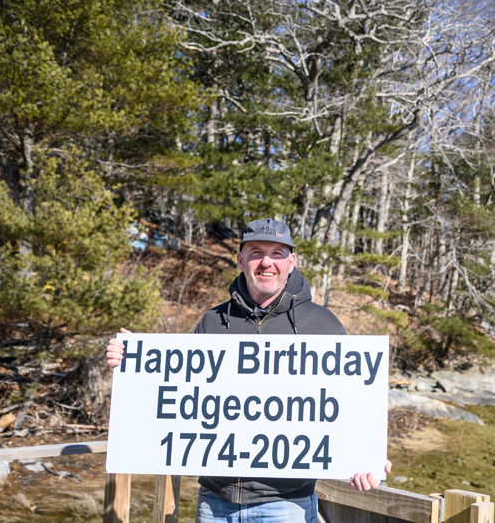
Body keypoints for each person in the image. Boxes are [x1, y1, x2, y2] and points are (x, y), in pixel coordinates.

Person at [106, 218, 389, 523]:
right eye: (255, 252)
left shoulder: (323, 325)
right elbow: (182, 392)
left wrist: (367, 454)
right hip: (215, 502)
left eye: (277, 253)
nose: (266, 262)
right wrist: (137, 362)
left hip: (286, 506)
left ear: (291, 262)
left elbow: (348, 405)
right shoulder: (213, 322)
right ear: (240, 260)